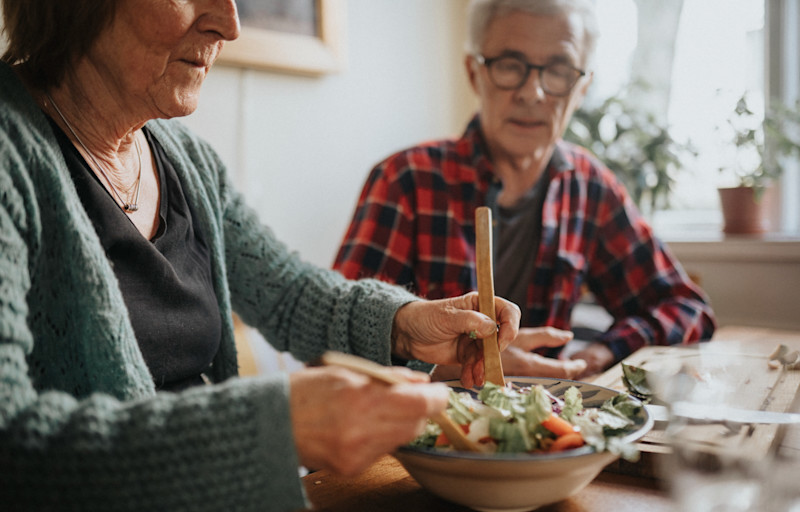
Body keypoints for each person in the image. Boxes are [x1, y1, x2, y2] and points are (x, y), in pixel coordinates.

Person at [0, 1, 522, 510]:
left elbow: (289, 292)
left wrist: (406, 326)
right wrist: (274, 426)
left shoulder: (187, 159)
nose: (229, 24)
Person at [334, 0, 716, 380]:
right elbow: (334, 346)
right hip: (423, 426)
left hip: (552, 427)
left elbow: (686, 307)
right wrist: (458, 369)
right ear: (474, 73)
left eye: (559, 70)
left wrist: (601, 352)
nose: (532, 92)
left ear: (582, 88)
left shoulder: (590, 188)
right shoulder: (405, 180)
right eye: (509, 66)